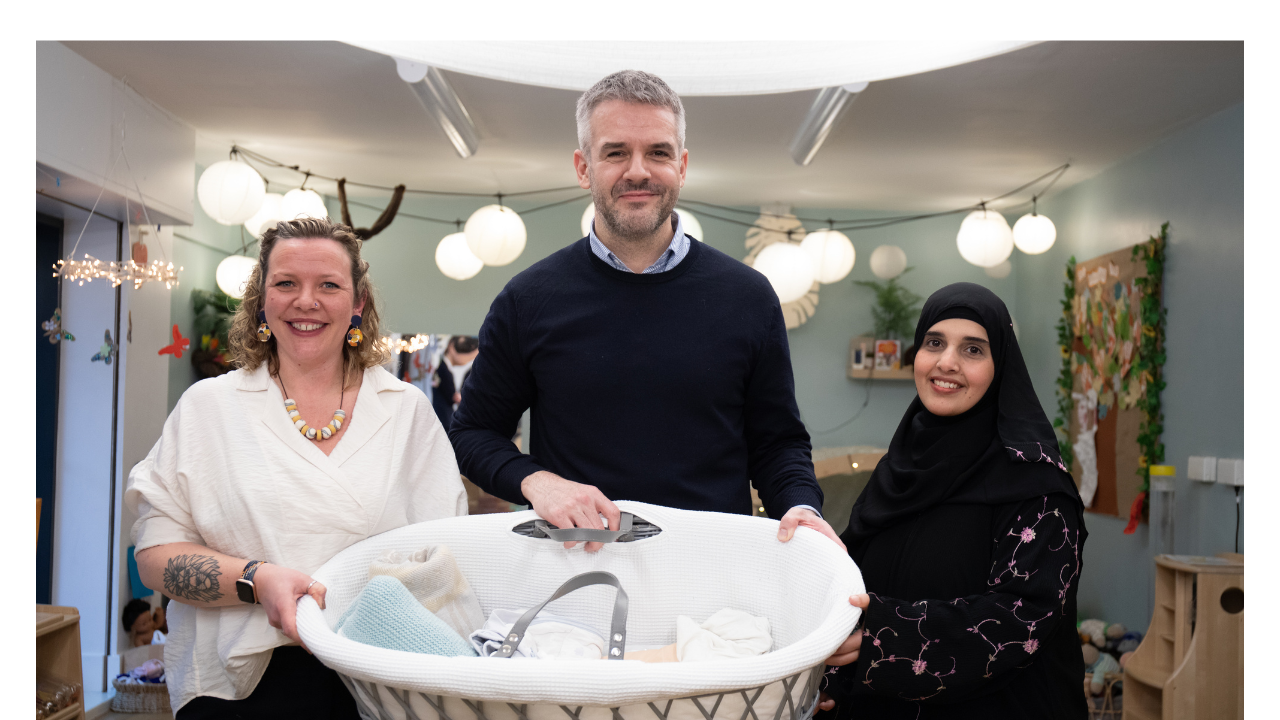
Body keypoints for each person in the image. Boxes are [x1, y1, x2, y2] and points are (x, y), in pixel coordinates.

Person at [448, 70, 838, 551]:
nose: (638, 170)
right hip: (575, 568)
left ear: (682, 164)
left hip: (713, 569)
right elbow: (473, 434)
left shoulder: (748, 296)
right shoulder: (528, 299)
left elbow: (778, 444)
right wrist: (536, 481)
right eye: (615, 152)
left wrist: (800, 506)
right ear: (583, 167)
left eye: (658, 152)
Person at [126, 218, 467, 719]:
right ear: (261, 299)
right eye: (286, 283)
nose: (306, 301)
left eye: (328, 285)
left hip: (379, 681)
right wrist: (255, 581)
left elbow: (447, 555)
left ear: (358, 304)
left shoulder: (404, 411)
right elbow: (154, 556)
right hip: (236, 689)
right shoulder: (209, 409)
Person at [818, 282, 1088, 719]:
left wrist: (882, 638)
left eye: (973, 350)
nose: (947, 362)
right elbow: (855, 583)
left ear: (1000, 366)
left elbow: (1020, 620)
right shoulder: (900, 467)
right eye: (935, 343)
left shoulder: (1036, 485)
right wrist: (830, 679)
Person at [431, 335, 478, 430]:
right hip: (441, 415)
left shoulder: (449, 369)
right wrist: (454, 396)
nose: (469, 361)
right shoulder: (441, 368)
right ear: (452, 348)